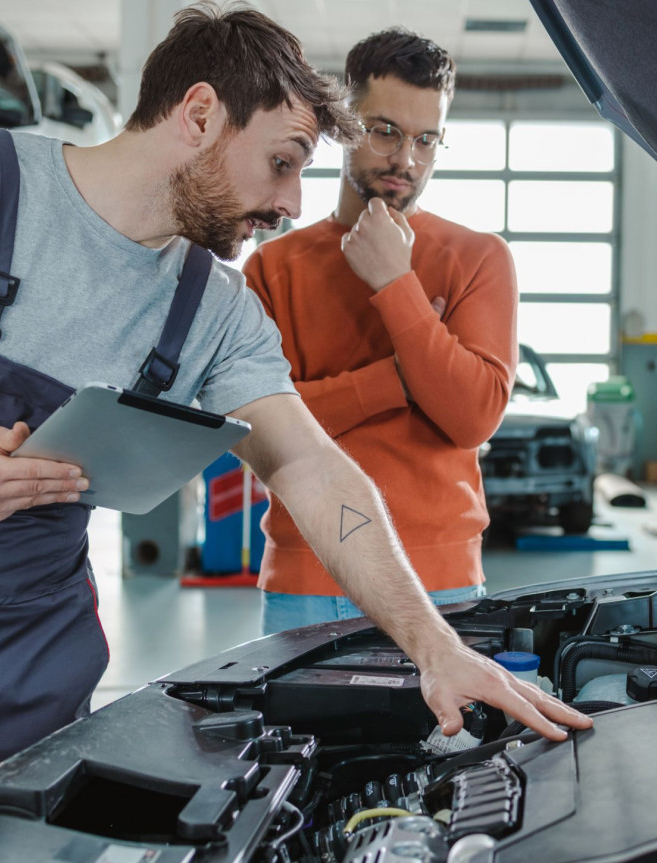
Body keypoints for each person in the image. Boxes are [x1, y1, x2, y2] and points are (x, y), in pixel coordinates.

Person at [0, 4, 590, 858]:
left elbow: (310, 466)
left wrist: (434, 644)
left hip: (28, 658)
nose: (291, 202)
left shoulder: (215, 309)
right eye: (281, 163)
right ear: (199, 114)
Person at [246, 28, 517, 633]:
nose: (406, 161)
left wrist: (395, 282)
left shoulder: (478, 258)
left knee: (444, 736)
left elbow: (472, 416)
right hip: (306, 580)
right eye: (385, 131)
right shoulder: (272, 267)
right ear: (343, 122)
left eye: (427, 140)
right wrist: (401, 378)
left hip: (443, 584)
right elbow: (263, 438)